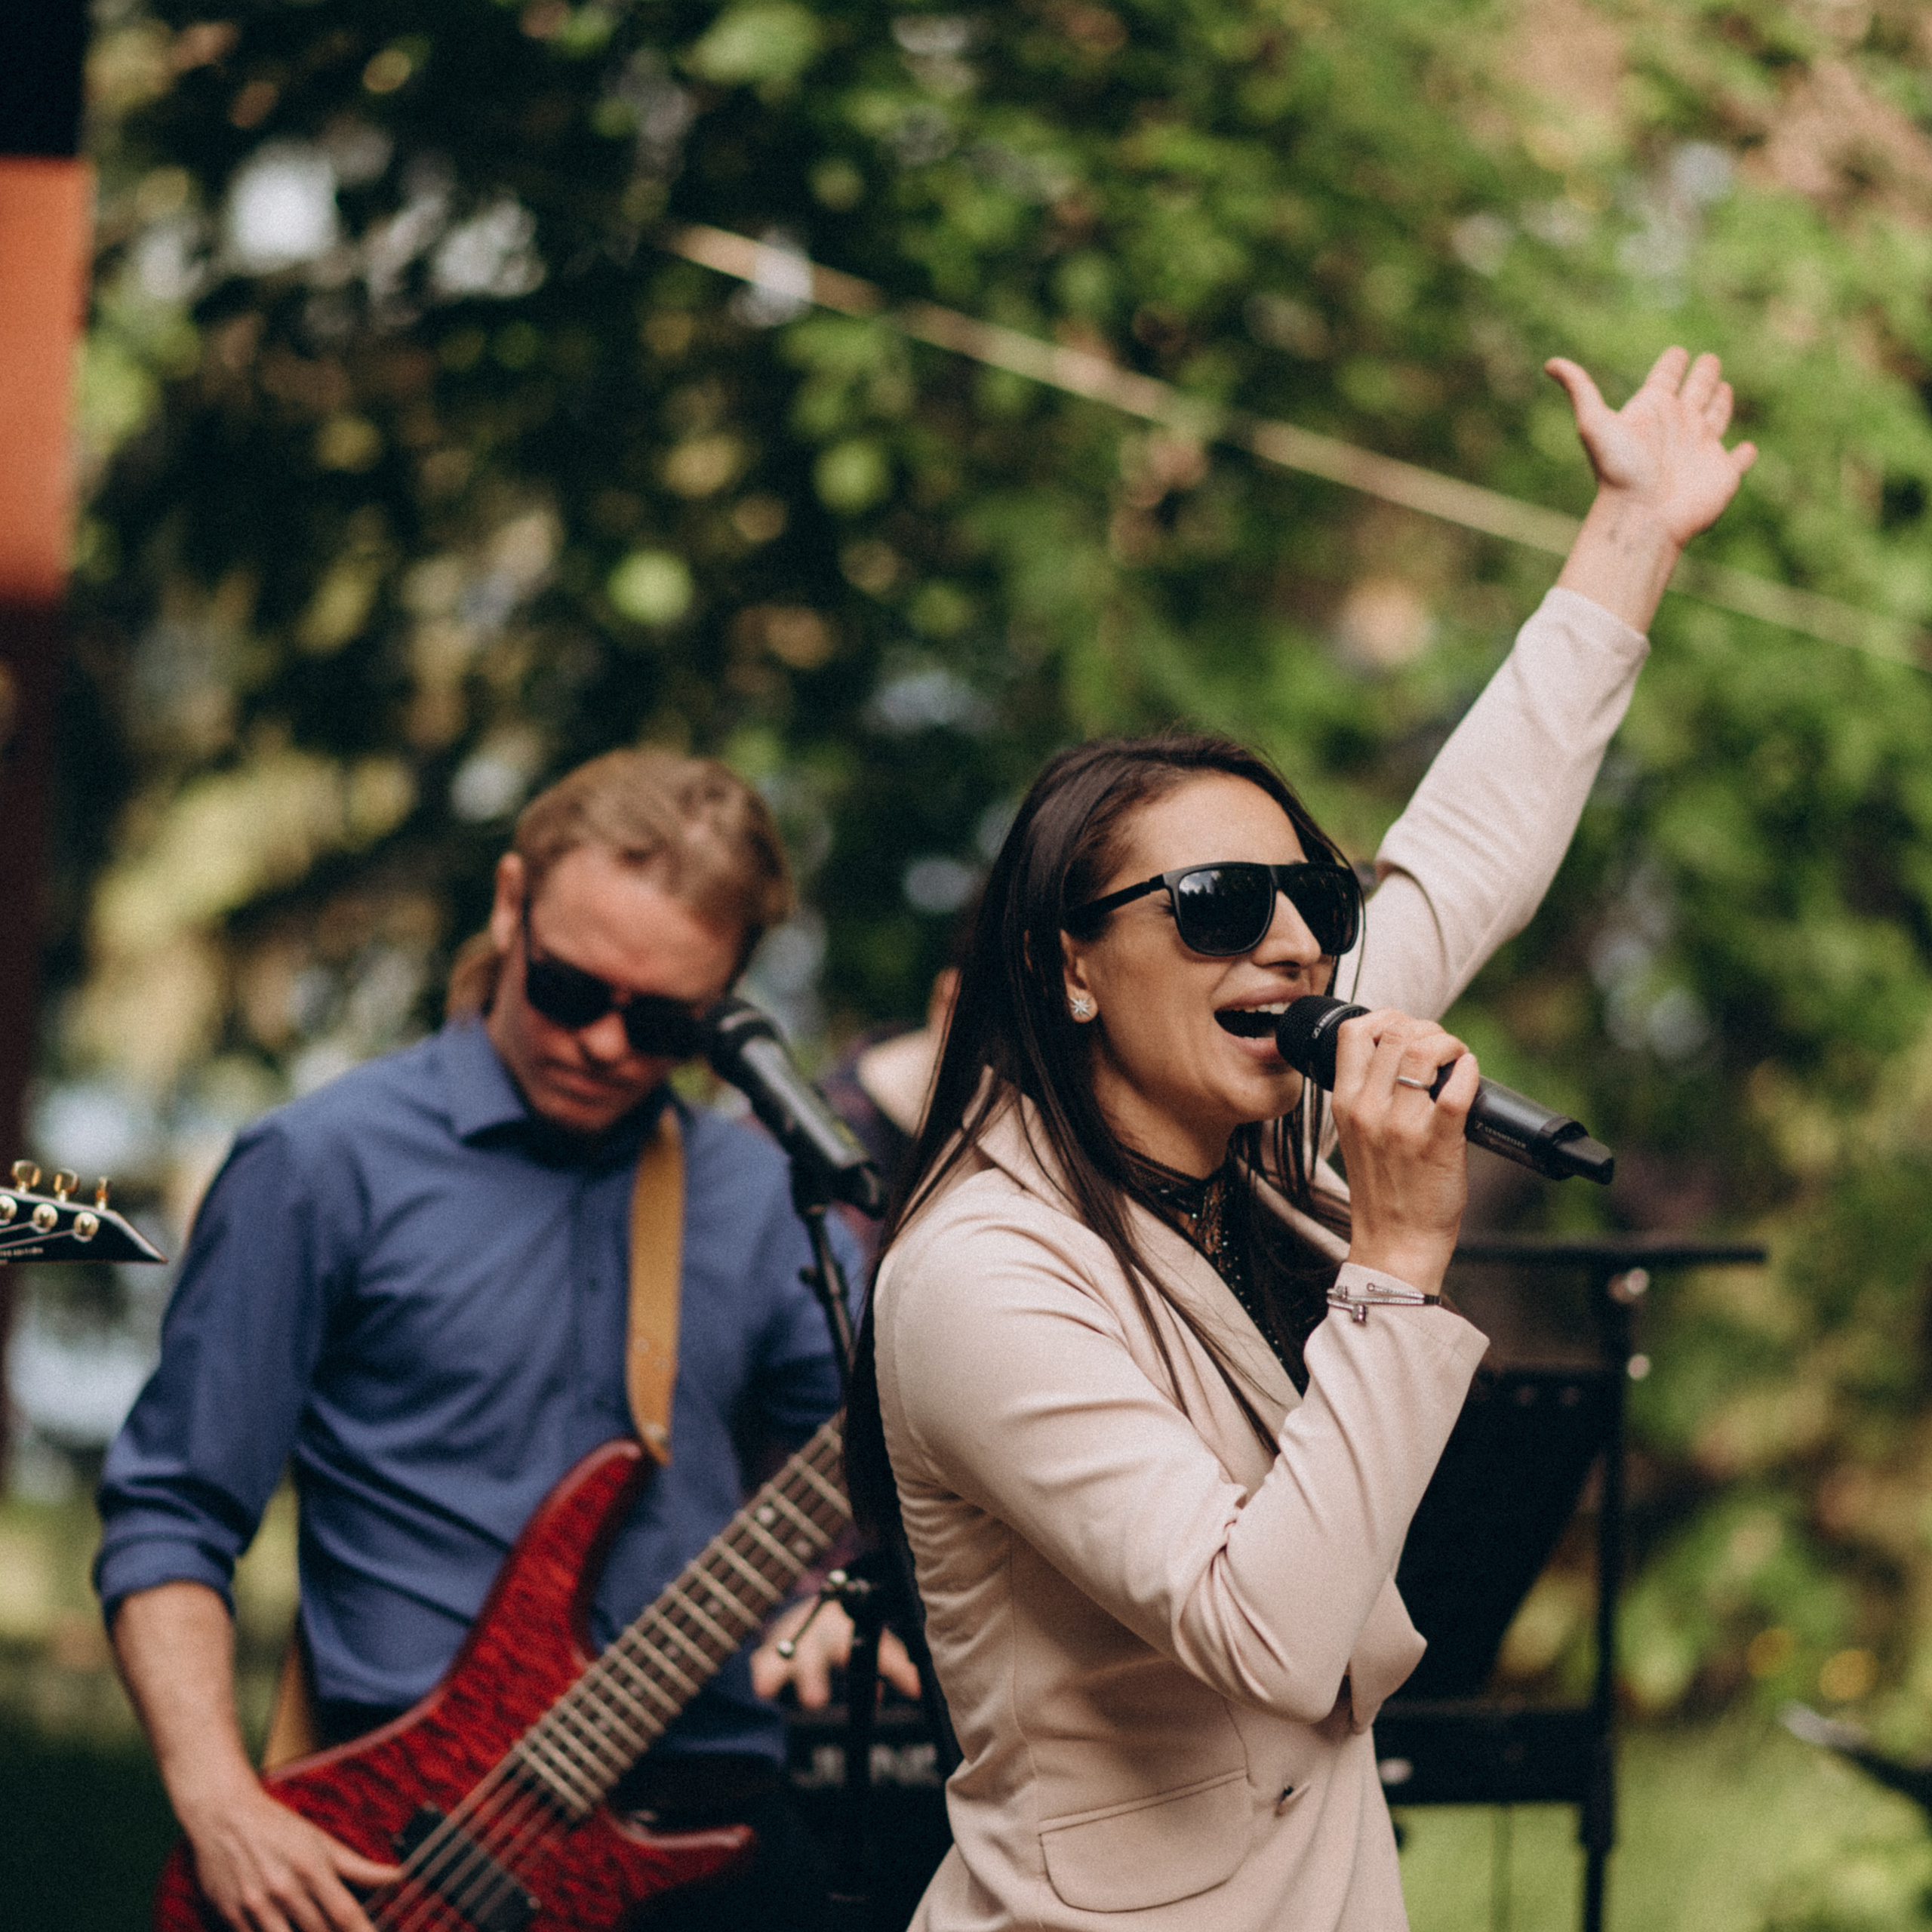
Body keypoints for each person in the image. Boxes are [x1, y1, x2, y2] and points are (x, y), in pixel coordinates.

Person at [845, 347, 1756, 1930]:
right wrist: (1398, 1258)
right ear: (1067, 961)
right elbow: (1263, 1625)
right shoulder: (981, 1271)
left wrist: (1632, 529)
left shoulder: (1258, 1118)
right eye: (1210, 907)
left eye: (1305, 902)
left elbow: (1466, 847)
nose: (1281, 946)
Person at [95, 748, 913, 1932]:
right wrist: (220, 1799)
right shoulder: (324, 1164)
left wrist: (842, 1587)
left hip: (716, 1831)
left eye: (665, 1022)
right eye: (572, 992)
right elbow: (172, 1512)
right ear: (511, 903)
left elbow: (878, 1460)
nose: (605, 1046)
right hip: (418, 1845)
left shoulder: (755, 1197)